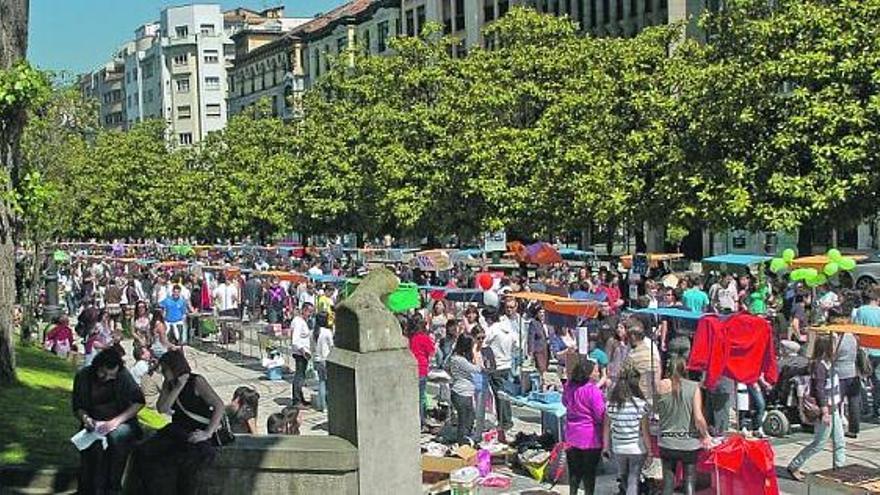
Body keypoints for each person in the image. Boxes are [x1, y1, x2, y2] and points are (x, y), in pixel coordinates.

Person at [133, 350, 226, 495]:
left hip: (197, 429)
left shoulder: (197, 381)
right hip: (178, 427)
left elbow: (219, 405)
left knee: (187, 464)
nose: (163, 372)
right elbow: (162, 408)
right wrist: (177, 388)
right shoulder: (168, 384)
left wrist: (208, 433)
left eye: (165, 369)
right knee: (144, 452)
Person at [72, 348, 145, 495]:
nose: (107, 378)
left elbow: (138, 402)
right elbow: (78, 406)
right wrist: (86, 419)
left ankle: (113, 487)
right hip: (94, 422)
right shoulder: (84, 376)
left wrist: (116, 421)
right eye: (103, 374)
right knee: (93, 449)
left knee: (117, 439)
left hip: (120, 421)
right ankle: (88, 487)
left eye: (111, 376)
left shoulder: (123, 376)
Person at [787, 335, 846, 481]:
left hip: (834, 408)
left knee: (839, 442)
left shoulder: (828, 363)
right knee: (819, 443)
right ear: (827, 348)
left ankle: (840, 469)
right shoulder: (819, 365)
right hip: (826, 409)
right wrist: (825, 411)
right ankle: (795, 465)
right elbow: (819, 389)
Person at [656, 356, 711, 495]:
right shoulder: (693, 387)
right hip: (689, 443)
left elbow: (655, 411)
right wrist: (705, 436)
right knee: (689, 480)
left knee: (668, 483)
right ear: (684, 369)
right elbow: (698, 418)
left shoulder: (660, 386)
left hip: (666, 442)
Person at [603, 366, 652, 495]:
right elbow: (645, 432)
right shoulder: (641, 405)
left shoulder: (610, 405)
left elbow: (606, 428)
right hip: (637, 448)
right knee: (633, 479)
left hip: (618, 448)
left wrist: (605, 447)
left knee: (624, 477)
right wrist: (650, 452)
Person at [562, 352, 606, 495]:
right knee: (589, 473)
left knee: (574, 472)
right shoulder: (593, 391)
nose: (598, 373)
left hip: (571, 434)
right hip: (590, 437)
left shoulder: (569, 387)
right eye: (596, 371)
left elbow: (564, 402)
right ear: (588, 374)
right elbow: (600, 415)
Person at [483, 306, 517, 433]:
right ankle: (507, 420)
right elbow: (516, 343)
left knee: (499, 396)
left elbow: (483, 344)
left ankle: (503, 422)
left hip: (495, 365)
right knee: (505, 394)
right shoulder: (508, 328)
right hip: (507, 364)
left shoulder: (492, 330)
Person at [447, 334, 481, 444]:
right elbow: (476, 369)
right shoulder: (459, 360)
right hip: (461, 393)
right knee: (464, 419)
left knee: (470, 417)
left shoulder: (456, 357)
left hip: (464, 392)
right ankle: (462, 441)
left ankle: (465, 438)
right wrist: (476, 354)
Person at [852, 287, 880, 419]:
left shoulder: (861, 311)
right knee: (877, 380)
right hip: (878, 350)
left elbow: (857, 331)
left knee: (861, 379)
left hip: (865, 350)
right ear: (876, 299)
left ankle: (864, 408)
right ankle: (876, 407)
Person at [407, 315, 435, 428]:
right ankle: (420, 421)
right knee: (421, 397)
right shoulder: (424, 337)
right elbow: (432, 352)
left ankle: (413, 420)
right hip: (422, 368)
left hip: (410, 368)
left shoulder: (408, 337)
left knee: (412, 397)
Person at [291, 303, 314, 407]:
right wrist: (303, 351)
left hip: (304, 353)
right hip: (300, 353)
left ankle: (301, 398)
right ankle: (297, 400)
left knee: (302, 376)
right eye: (309, 312)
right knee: (299, 377)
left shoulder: (303, 322)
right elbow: (295, 340)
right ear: (304, 310)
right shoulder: (298, 322)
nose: (310, 314)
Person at [312, 311, 334, 412]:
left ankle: (322, 405)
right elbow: (332, 346)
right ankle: (326, 404)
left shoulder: (313, 332)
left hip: (316, 359)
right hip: (325, 359)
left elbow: (311, 346)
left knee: (321, 381)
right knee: (327, 383)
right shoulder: (327, 332)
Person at [528, 306, 551, 377]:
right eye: (540, 312)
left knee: (547, 370)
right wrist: (530, 352)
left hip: (547, 350)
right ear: (537, 314)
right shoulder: (534, 323)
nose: (542, 314)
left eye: (544, 312)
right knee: (542, 370)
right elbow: (531, 338)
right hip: (539, 351)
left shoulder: (548, 323)